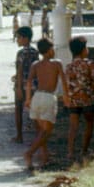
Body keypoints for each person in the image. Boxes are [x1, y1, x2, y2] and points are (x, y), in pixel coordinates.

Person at [24, 38, 69, 170]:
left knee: (40, 131)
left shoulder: (35, 64)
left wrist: (28, 99)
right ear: (49, 50)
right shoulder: (57, 63)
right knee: (47, 132)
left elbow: (29, 82)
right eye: (53, 48)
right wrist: (66, 97)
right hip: (49, 97)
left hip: (37, 96)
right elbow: (64, 81)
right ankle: (29, 153)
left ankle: (45, 158)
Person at [65, 36, 94, 161]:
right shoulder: (90, 64)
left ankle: (70, 151)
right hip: (88, 98)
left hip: (74, 99)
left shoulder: (69, 66)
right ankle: (84, 150)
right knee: (89, 124)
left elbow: (67, 83)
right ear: (84, 49)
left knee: (73, 126)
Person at [12, 26, 38, 143]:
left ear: (25, 38)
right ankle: (38, 135)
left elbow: (20, 70)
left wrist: (17, 87)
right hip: (33, 85)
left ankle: (19, 136)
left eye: (18, 38)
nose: (17, 40)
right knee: (34, 110)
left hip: (22, 85)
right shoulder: (35, 52)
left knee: (18, 109)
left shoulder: (21, 53)